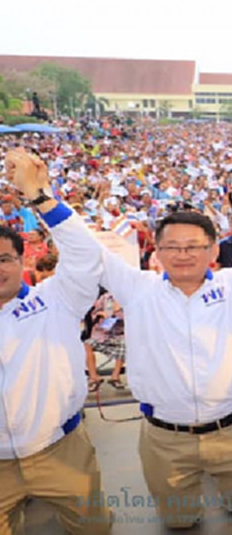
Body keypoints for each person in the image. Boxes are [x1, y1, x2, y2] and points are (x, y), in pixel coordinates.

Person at [95, 198, 232, 527]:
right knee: (179, 523)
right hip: (164, 438)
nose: (183, 254)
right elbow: (86, 250)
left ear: (213, 250)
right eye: (173, 246)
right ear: (157, 251)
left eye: (194, 246)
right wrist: (43, 200)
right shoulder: (137, 289)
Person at [0, 148, 112, 534]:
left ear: (22, 262)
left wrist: (40, 196)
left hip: (61, 451)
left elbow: (85, 256)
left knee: (92, 528)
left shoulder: (56, 299)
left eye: (3, 258)